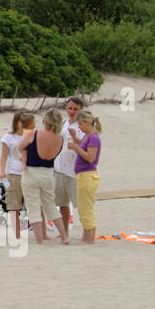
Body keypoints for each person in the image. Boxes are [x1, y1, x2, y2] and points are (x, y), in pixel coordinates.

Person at [19, 108, 67, 244]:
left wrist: (25, 152)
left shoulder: (34, 134)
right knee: (50, 205)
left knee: (33, 206)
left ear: (45, 121)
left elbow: (19, 147)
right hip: (48, 173)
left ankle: (39, 239)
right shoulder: (59, 139)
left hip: (31, 172)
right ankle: (64, 236)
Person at [69, 109, 103, 243]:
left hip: (88, 175)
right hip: (83, 175)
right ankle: (86, 236)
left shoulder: (94, 137)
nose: (80, 128)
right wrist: (76, 140)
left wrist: (75, 148)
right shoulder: (87, 136)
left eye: (81, 125)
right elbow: (84, 148)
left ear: (88, 123)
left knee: (86, 208)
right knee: (83, 207)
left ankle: (90, 237)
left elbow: (90, 158)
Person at [0, 111, 33, 241]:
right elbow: (3, 156)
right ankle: (16, 234)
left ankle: (34, 229)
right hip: (13, 173)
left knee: (32, 203)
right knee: (13, 204)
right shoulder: (8, 137)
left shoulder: (30, 136)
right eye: (20, 121)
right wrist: (2, 172)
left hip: (29, 172)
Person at [52, 96, 85, 234]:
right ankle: (64, 232)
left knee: (81, 204)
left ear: (80, 110)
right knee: (62, 204)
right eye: (70, 108)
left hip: (75, 170)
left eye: (75, 109)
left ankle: (87, 232)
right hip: (60, 168)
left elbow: (87, 146)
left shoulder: (83, 126)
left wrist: (76, 139)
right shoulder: (63, 124)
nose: (72, 111)